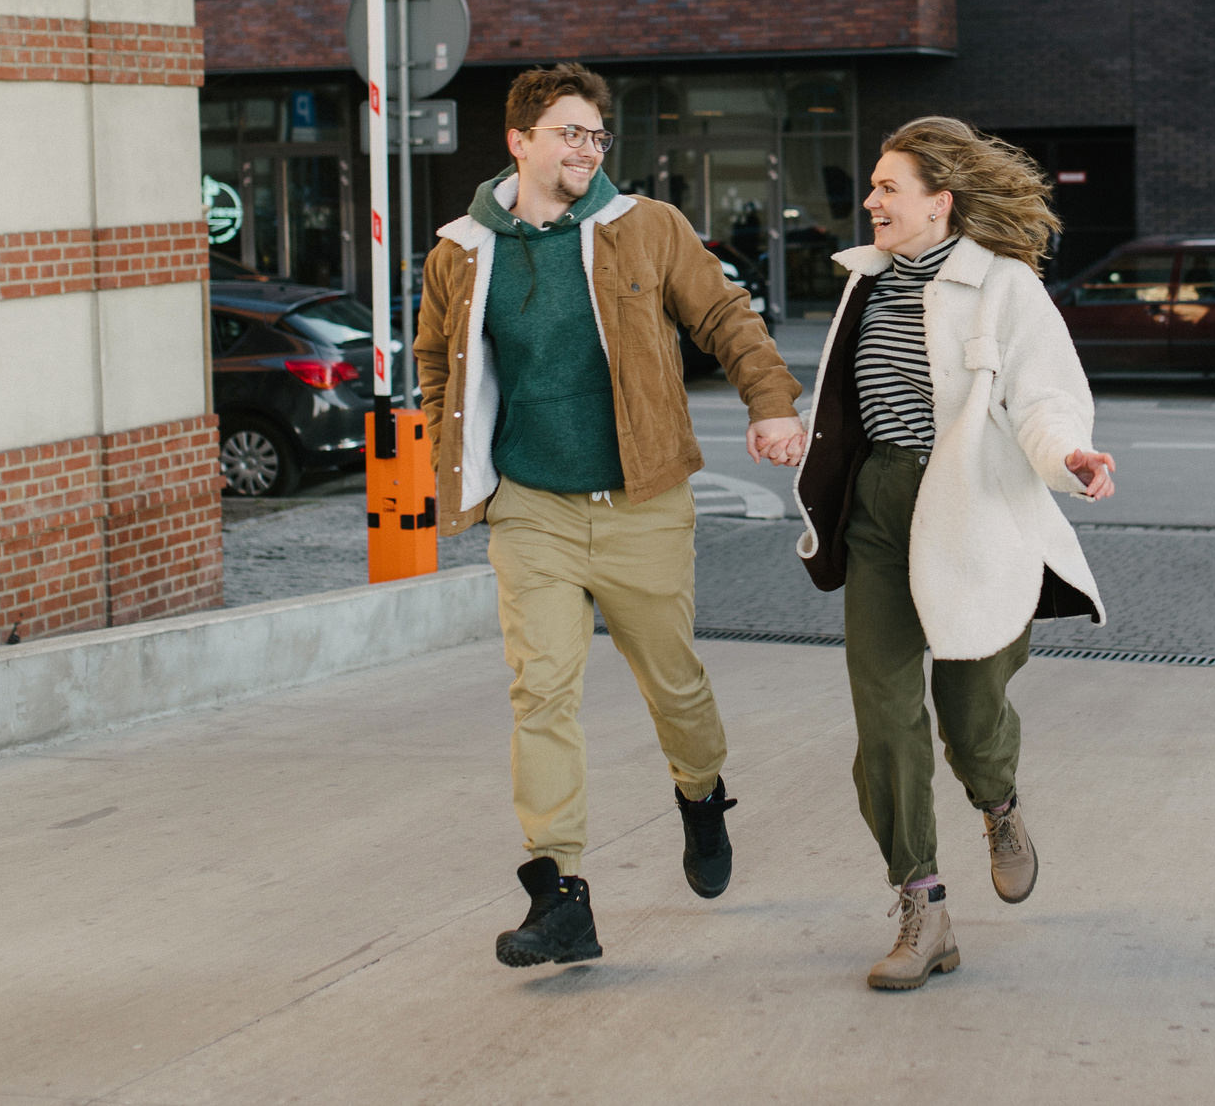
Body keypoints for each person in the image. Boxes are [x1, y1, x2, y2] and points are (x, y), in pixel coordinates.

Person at [413, 63, 809, 970]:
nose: (588, 149)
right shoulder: (459, 251)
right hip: (532, 508)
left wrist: (770, 402)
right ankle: (559, 892)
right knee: (540, 691)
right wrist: (450, 446)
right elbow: (438, 360)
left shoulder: (646, 227)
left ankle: (701, 794)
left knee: (674, 683)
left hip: (643, 502)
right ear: (519, 141)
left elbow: (726, 316)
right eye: (569, 132)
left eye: (596, 135)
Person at [792, 117, 1116, 991]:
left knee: (969, 715)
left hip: (972, 510)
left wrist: (1069, 456)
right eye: (873, 186)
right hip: (879, 514)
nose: (871, 200)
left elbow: (1044, 398)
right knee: (884, 715)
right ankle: (923, 904)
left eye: (887, 187)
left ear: (940, 202)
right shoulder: (865, 282)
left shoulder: (1005, 286)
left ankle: (997, 801)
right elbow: (849, 404)